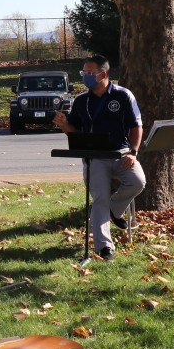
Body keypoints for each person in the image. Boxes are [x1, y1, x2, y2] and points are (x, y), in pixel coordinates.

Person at [54, 56, 146, 261]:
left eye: (89, 73)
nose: (85, 77)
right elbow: (73, 131)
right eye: (83, 73)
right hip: (94, 157)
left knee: (138, 181)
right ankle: (104, 247)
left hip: (121, 153)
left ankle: (115, 209)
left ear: (103, 74)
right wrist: (63, 124)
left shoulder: (123, 95)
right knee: (100, 198)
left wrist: (133, 151)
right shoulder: (81, 100)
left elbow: (136, 126)